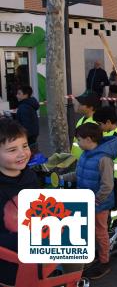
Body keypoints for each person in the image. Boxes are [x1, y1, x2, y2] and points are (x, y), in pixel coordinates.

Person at [62, 123, 117, 280]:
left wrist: (96, 201)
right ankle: (94, 255)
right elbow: (79, 173)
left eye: (79, 139)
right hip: (86, 201)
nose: (77, 143)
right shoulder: (86, 153)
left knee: (100, 232)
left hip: (98, 204)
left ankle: (104, 262)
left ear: (88, 139)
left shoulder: (104, 159)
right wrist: (62, 178)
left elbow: (107, 185)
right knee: (89, 231)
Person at [0, 119, 39, 286]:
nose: (22, 153)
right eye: (12, 150)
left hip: (35, 262)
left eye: (25, 146)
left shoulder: (31, 177)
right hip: (6, 270)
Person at [71, 91, 100, 158]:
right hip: (80, 160)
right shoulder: (82, 119)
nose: (78, 106)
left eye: (81, 104)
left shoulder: (95, 124)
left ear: (91, 108)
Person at [15, 85, 39, 152]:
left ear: (26, 95)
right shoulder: (29, 104)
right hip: (32, 134)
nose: (17, 95)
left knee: (30, 154)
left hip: (27, 136)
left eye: (19, 93)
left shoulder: (24, 107)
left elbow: (25, 124)